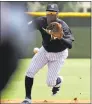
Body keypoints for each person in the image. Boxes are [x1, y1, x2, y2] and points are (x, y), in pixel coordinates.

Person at [21, 4, 74, 104]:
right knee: (30, 72)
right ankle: (27, 98)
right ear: (46, 13)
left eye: (53, 13)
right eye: (48, 13)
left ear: (57, 14)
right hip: (44, 51)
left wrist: (60, 37)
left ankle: (58, 81)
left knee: (50, 83)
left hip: (59, 54)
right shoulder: (40, 21)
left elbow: (70, 44)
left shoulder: (63, 26)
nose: (50, 15)